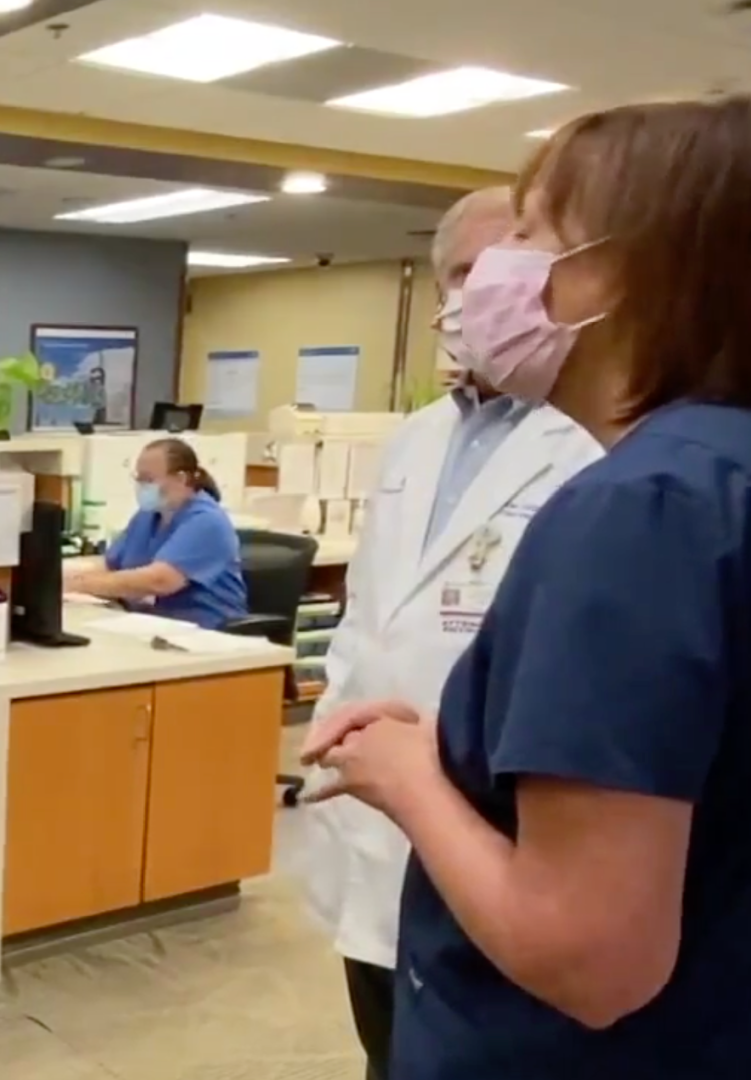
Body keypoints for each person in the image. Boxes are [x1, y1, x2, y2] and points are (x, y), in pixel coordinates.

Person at [302, 95, 751, 1080]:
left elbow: (590, 955)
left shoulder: (643, 507)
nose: (493, 279)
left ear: (626, 271)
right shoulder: (721, 474)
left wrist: (412, 780)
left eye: (533, 235)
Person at [296, 187, 602, 1080]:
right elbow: (368, 611)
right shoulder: (414, 439)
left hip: (498, 815)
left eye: (514, 265)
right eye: (467, 274)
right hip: (378, 811)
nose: (489, 291)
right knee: (386, 1043)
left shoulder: (590, 443)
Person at [63, 436, 246, 629]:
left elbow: (160, 580)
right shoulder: (149, 516)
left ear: (180, 479)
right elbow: (111, 563)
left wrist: (78, 584)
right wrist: (50, 573)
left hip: (208, 631)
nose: (142, 487)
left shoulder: (206, 520)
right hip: (155, 627)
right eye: (139, 479)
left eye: (148, 480)